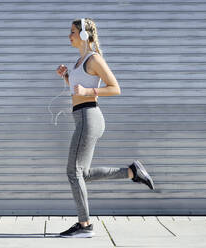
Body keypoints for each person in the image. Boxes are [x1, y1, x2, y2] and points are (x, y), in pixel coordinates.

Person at [55, 18, 156, 238]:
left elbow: (115, 88)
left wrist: (87, 92)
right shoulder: (79, 61)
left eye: (72, 32)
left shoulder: (94, 59)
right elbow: (77, 89)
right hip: (82, 118)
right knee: (83, 174)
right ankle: (132, 172)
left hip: (89, 116)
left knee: (73, 172)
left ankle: (85, 225)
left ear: (83, 35)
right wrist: (66, 76)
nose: (69, 36)